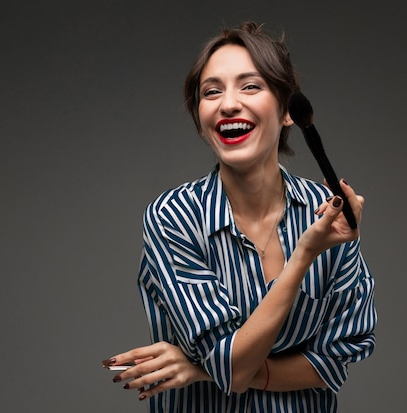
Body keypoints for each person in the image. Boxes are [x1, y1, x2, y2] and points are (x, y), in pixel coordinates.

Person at [104, 21, 376, 412]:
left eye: (250, 86)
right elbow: (231, 368)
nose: (228, 103)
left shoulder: (328, 212)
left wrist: (200, 369)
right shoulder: (174, 217)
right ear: (200, 120)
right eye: (211, 92)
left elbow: (336, 358)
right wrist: (303, 256)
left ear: (287, 112)